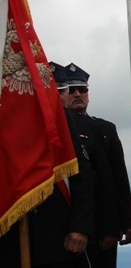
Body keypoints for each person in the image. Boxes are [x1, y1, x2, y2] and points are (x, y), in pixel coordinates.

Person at [0, 62, 96, 267]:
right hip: (8, 235)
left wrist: (80, 227)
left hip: (55, 236)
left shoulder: (59, 120)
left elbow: (81, 176)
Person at [64, 63, 131, 268]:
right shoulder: (57, 131)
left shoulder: (104, 129)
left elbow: (117, 178)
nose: (77, 94)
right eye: (71, 90)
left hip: (101, 222)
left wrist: (124, 222)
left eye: (83, 90)